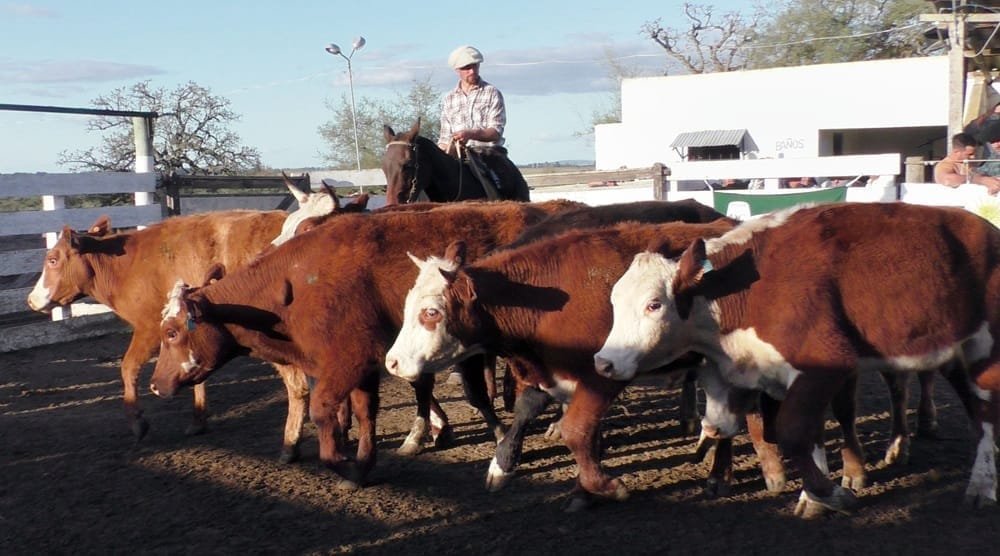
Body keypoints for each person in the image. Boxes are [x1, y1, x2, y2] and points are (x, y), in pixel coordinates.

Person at [438, 45, 530, 200]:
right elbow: (444, 138)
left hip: (488, 155)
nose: (472, 71)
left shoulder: (492, 92)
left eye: (475, 66)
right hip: (458, 158)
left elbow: (495, 131)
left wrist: (470, 133)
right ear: (457, 70)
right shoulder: (449, 99)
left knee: (504, 187)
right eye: (466, 68)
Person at [934, 132, 1000, 194]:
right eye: (969, 154)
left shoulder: (967, 163)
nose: (973, 157)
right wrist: (980, 180)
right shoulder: (945, 165)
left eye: (974, 153)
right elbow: (947, 180)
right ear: (956, 152)